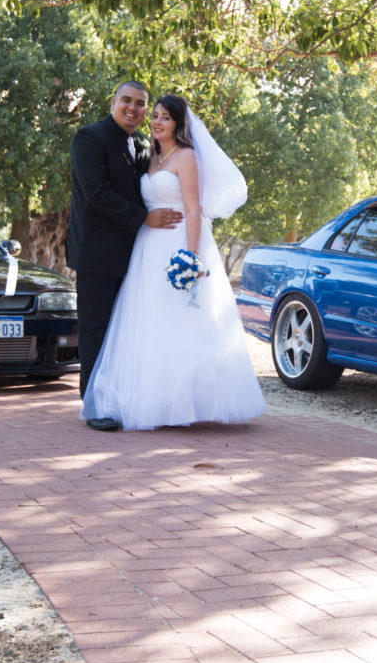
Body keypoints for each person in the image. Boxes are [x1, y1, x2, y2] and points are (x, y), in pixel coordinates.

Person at [81, 93, 265, 431]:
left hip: (179, 242)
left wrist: (191, 258)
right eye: (155, 116)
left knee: (181, 320)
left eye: (165, 117)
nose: (156, 121)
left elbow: (194, 208)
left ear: (179, 124)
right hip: (147, 248)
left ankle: (188, 402)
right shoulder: (149, 157)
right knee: (148, 322)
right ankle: (150, 399)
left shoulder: (186, 156)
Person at [67, 80, 183, 429]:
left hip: (134, 255)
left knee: (123, 331)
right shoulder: (89, 138)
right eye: (127, 101)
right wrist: (144, 218)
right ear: (114, 101)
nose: (134, 108)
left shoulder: (139, 144)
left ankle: (116, 397)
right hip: (96, 253)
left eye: (141, 104)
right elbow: (97, 192)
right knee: (96, 329)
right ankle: (93, 406)